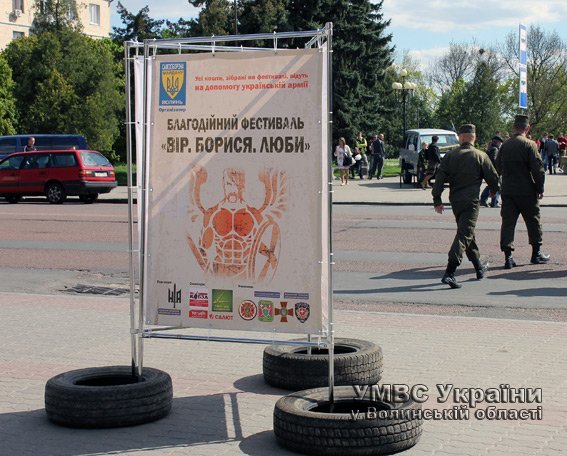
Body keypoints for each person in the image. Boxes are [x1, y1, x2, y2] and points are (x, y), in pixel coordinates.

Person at [432, 124, 499, 289]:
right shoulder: (480, 155)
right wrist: (493, 191)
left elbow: (439, 179)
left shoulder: (450, 156)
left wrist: (437, 200)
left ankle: (478, 267)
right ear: (473, 137)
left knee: (467, 233)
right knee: (464, 235)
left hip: (455, 201)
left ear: (460, 137)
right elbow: (493, 177)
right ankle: (450, 272)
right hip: (471, 201)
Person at [496, 114, 550, 269]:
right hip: (526, 190)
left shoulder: (505, 145)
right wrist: (540, 187)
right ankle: (536, 253)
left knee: (508, 223)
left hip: (508, 190)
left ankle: (508, 257)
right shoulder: (530, 144)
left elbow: (497, 166)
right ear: (527, 128)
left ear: (514, 127)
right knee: (533, 221)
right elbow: (538, 169)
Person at [479, 135, 503, 207]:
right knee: (497, 186)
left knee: (491, 185)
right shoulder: (495, 149)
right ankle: (494, 202)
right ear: (497, 142)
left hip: (488, 170)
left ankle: (483, 200)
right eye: (500, 143)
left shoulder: (490, 149)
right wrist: (499, 168)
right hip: (494, 170)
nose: (500, 144)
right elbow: (494, 160)